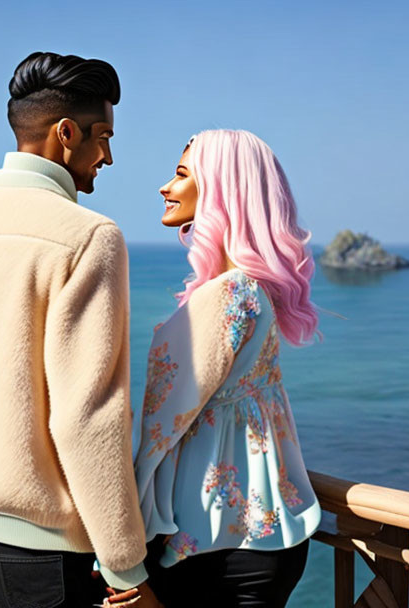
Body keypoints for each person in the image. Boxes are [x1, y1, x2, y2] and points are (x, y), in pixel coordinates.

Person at [0, 52, 161, 608]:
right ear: (66, 133)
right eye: (103, 136)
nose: (109, 155)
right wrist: (126, 568)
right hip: (35, 551)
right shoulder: (89, 237)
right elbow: (88, 416)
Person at [134, 130, 321, 607]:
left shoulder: (228, 294)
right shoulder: (254, 289)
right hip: (263, 536)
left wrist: (118, 558)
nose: (164, 187)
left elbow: (157, 432)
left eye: (180, 175)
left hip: (209, 546)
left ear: (220, 187)